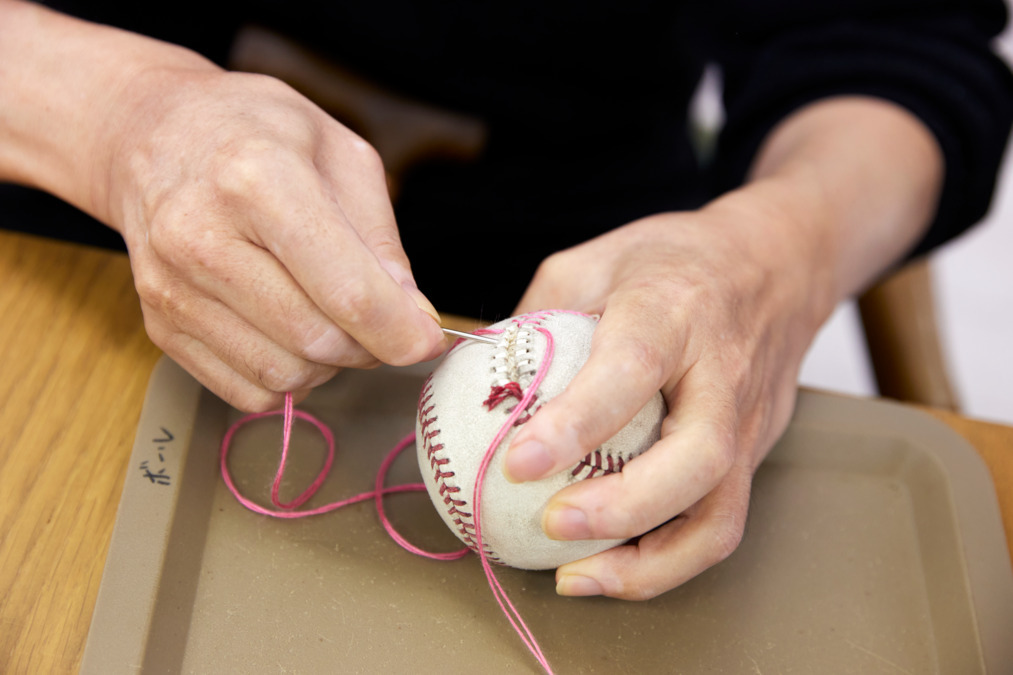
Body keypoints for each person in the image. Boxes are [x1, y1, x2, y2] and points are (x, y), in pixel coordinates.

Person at [2, 0, 1011, 601]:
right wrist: (110, 115)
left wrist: (775, 254)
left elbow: (896, 44)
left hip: (586, 271)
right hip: (57, 246)